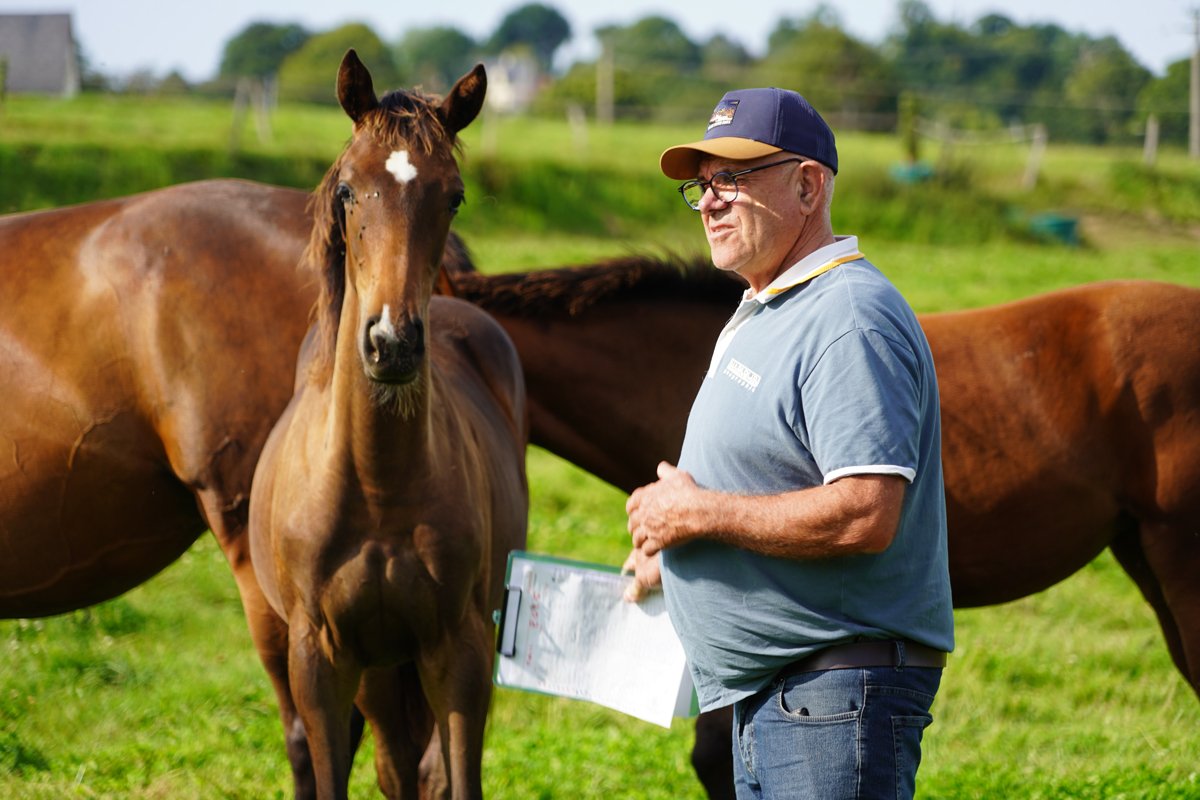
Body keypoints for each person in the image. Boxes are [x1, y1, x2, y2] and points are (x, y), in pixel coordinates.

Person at [623, 87, 954, 800]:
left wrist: (700, 514)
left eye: (732, 179)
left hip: (832, 701)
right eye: (702, 185)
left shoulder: (848, 317)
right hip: (787, 699)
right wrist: (678, 550)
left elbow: (866, 512)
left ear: (808, 186)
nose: (709, 203)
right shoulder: (774, 305)